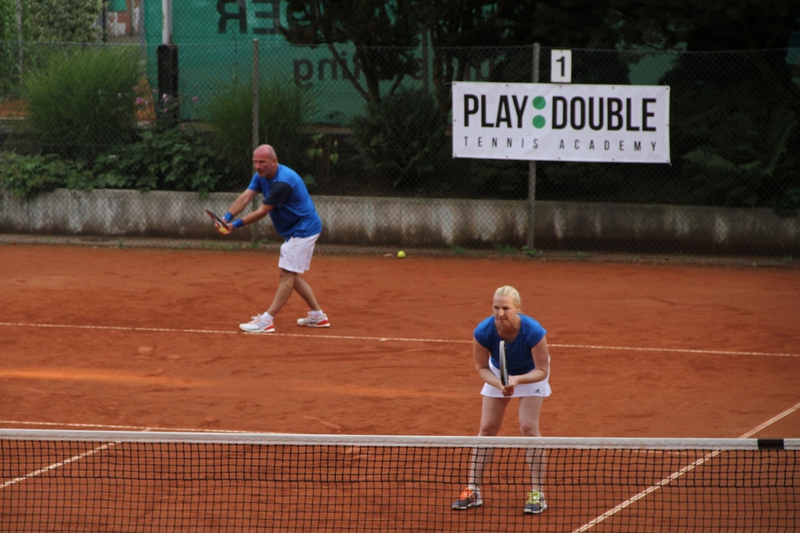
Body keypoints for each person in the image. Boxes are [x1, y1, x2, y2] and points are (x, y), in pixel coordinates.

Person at [451, 285, 551, 514]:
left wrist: (517, 380)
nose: (500, 313)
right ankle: (473, 489)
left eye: (506, 308)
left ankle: (538, 493)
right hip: (498, 373)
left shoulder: (534, 331)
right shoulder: (483, 331)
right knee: (486, 428)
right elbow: (481, 367)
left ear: (517, 307)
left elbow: (542, 370)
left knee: (528, 427)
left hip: (531, 374)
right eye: (496, 307)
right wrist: (499, 383)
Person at [216, 144, 330, 333]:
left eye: (262, 162)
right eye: (255, 162)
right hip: (295, 230)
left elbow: (263, 211)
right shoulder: (261, 175)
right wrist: (225, 218)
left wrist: (234, 225)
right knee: (290, 273)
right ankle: (318, 315)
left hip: (304, 229)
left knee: (286, 273)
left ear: (274, 162)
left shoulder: (282, 182)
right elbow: (245, 197)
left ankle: (267, 320)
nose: (258, 166)